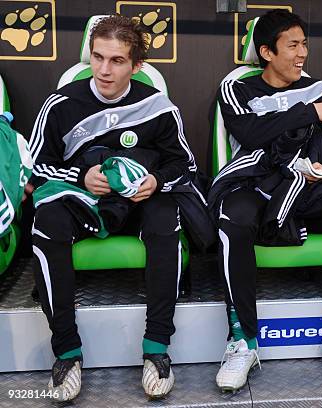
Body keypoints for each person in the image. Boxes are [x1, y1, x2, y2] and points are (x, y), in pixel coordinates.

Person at [210, 9, 322, 392]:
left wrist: (319, 171)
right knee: (232, 216)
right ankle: (243, 341)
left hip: (311, 190)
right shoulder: (238, 87)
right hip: (259, 187)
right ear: (267, 52)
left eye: (304, 43)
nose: (302, 53)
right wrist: (307, 115)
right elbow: (250, 133)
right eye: (292, 45)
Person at [28, 15, 197, 401]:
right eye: (98, 57)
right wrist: (79, 177)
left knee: (165, 217)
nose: (104, 70)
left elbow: (183, 166)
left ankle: (157, 348)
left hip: (138, 203)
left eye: (117, 61)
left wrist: (156, 181)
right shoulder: (61, 103)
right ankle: (67, 353)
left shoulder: (157, 105)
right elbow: (35, 165)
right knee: (46, 220)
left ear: (136, 66)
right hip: (83, 201)